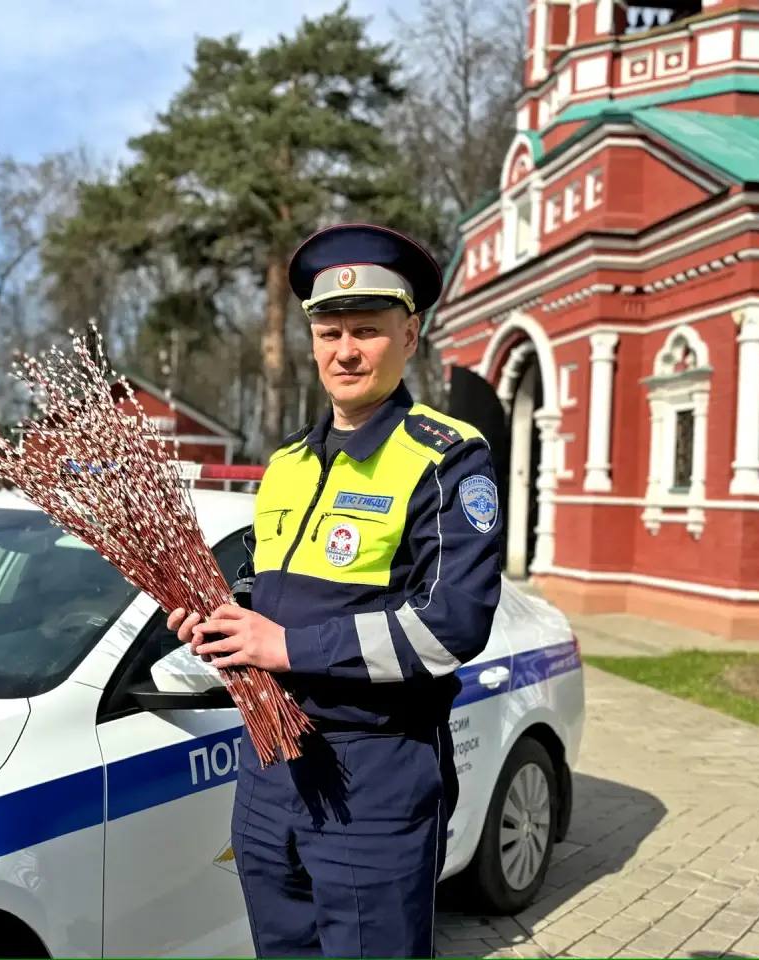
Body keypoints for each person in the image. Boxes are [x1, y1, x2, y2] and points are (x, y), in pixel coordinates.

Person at [168, 223, 503, 959]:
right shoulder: (286, 462)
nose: (344, 350)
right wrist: (225, 619)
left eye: (367, 330)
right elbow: (266, 580)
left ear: (409, 335)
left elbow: (451, 625)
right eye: (329, 331)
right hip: (269, 764)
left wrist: (283, 645)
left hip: (373, 776)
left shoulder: (447, 459)